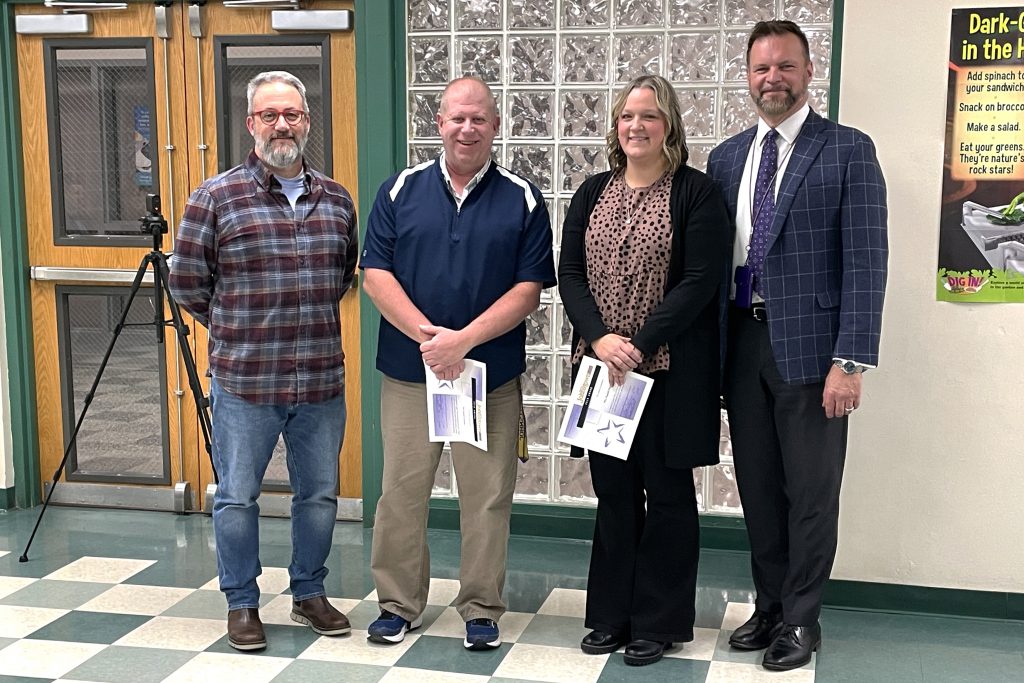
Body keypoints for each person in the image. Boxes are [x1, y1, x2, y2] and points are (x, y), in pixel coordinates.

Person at [706, 20, 888, 671]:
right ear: (747, 76)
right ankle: (771, 603)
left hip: (814, 353)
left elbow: (868, 262)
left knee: (810, 491)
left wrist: (851, 360)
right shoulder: (727, 157)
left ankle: (803, 617)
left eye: (785, 66)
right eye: (761, 69)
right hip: (743, 343)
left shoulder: (847, 150)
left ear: (809, 72)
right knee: (756, 486)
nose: (772, 79)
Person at [360, 76, 556, 651]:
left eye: (479, 119)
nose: (467, 128)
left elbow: (529, 290)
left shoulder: (521, 196)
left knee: (487, 496)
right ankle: (398, 604)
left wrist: (463, 341)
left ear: (496, 126)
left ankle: (481, 607)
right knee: (401, 491)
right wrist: (431, 341)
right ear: (438, 122)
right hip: (408, 371)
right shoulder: (400, 190)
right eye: (456, 118)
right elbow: (376, 276)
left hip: (488, 377)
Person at [169, 71, 357, 651]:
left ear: (307, 122)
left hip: (321, 380)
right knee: (236, 496)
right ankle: (242, 604)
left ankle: (308, 592)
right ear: (251, 123)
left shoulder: (337, 200)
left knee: (320, 495)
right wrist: (238, 330)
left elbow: (344, 276)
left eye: (294, 114)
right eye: (270, 114)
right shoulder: (215, 197)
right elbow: (187, 283)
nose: (283, 124)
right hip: (245, 382)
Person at [558, 74, 733, 667]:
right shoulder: (590, 192)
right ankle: (610, 615)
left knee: (668, 495)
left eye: (650, 116)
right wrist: (601, 339)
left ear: (670, 127)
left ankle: (658, 622)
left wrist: (638, 342)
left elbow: (700, 281)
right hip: (602, 370)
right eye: (628, 115)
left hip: (667, 373)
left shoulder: (697, 194)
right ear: (616, 126)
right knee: (612, 496)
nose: (636, 126)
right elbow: (571, 275)